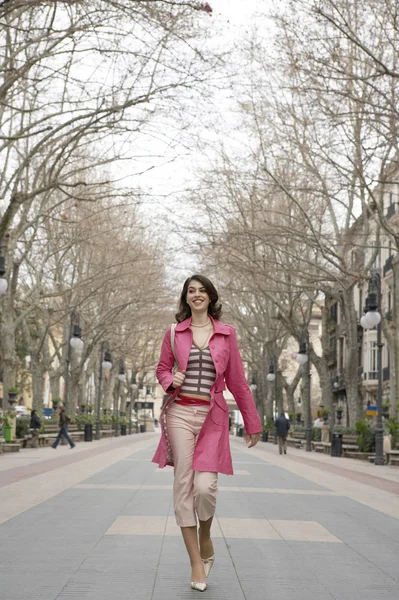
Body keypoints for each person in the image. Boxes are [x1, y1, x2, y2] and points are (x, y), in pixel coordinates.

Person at [152, 274, 262, 592]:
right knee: (184, 486)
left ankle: (205, 536)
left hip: (213, 417)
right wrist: (168, 379)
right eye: (191, 291)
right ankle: (196, 563)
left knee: (205, 487)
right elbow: (162, 368)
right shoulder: (174, 332)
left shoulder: (226, 335)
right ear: (185, 298)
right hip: (180, 415)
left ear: (211, 297)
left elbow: (238, 381)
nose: (197, 295)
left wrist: (253, 422)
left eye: (202, 291)